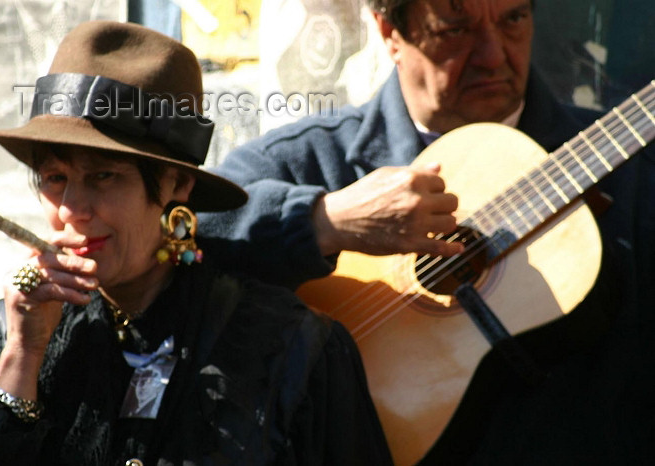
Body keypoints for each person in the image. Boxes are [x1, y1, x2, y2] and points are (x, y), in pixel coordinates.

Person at [198, 0, 655, 464]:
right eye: (455, 30)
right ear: (388, 31)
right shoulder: (313, 160)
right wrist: (323, 222)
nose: (493, 55)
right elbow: (178, 228)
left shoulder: (636, 170)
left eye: (513, 18)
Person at [0, 21, 393, 466]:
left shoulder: (288, 353)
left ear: (176, 183)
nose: (71, 209)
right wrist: (23, 356)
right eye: (55, 178)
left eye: (103, 175)